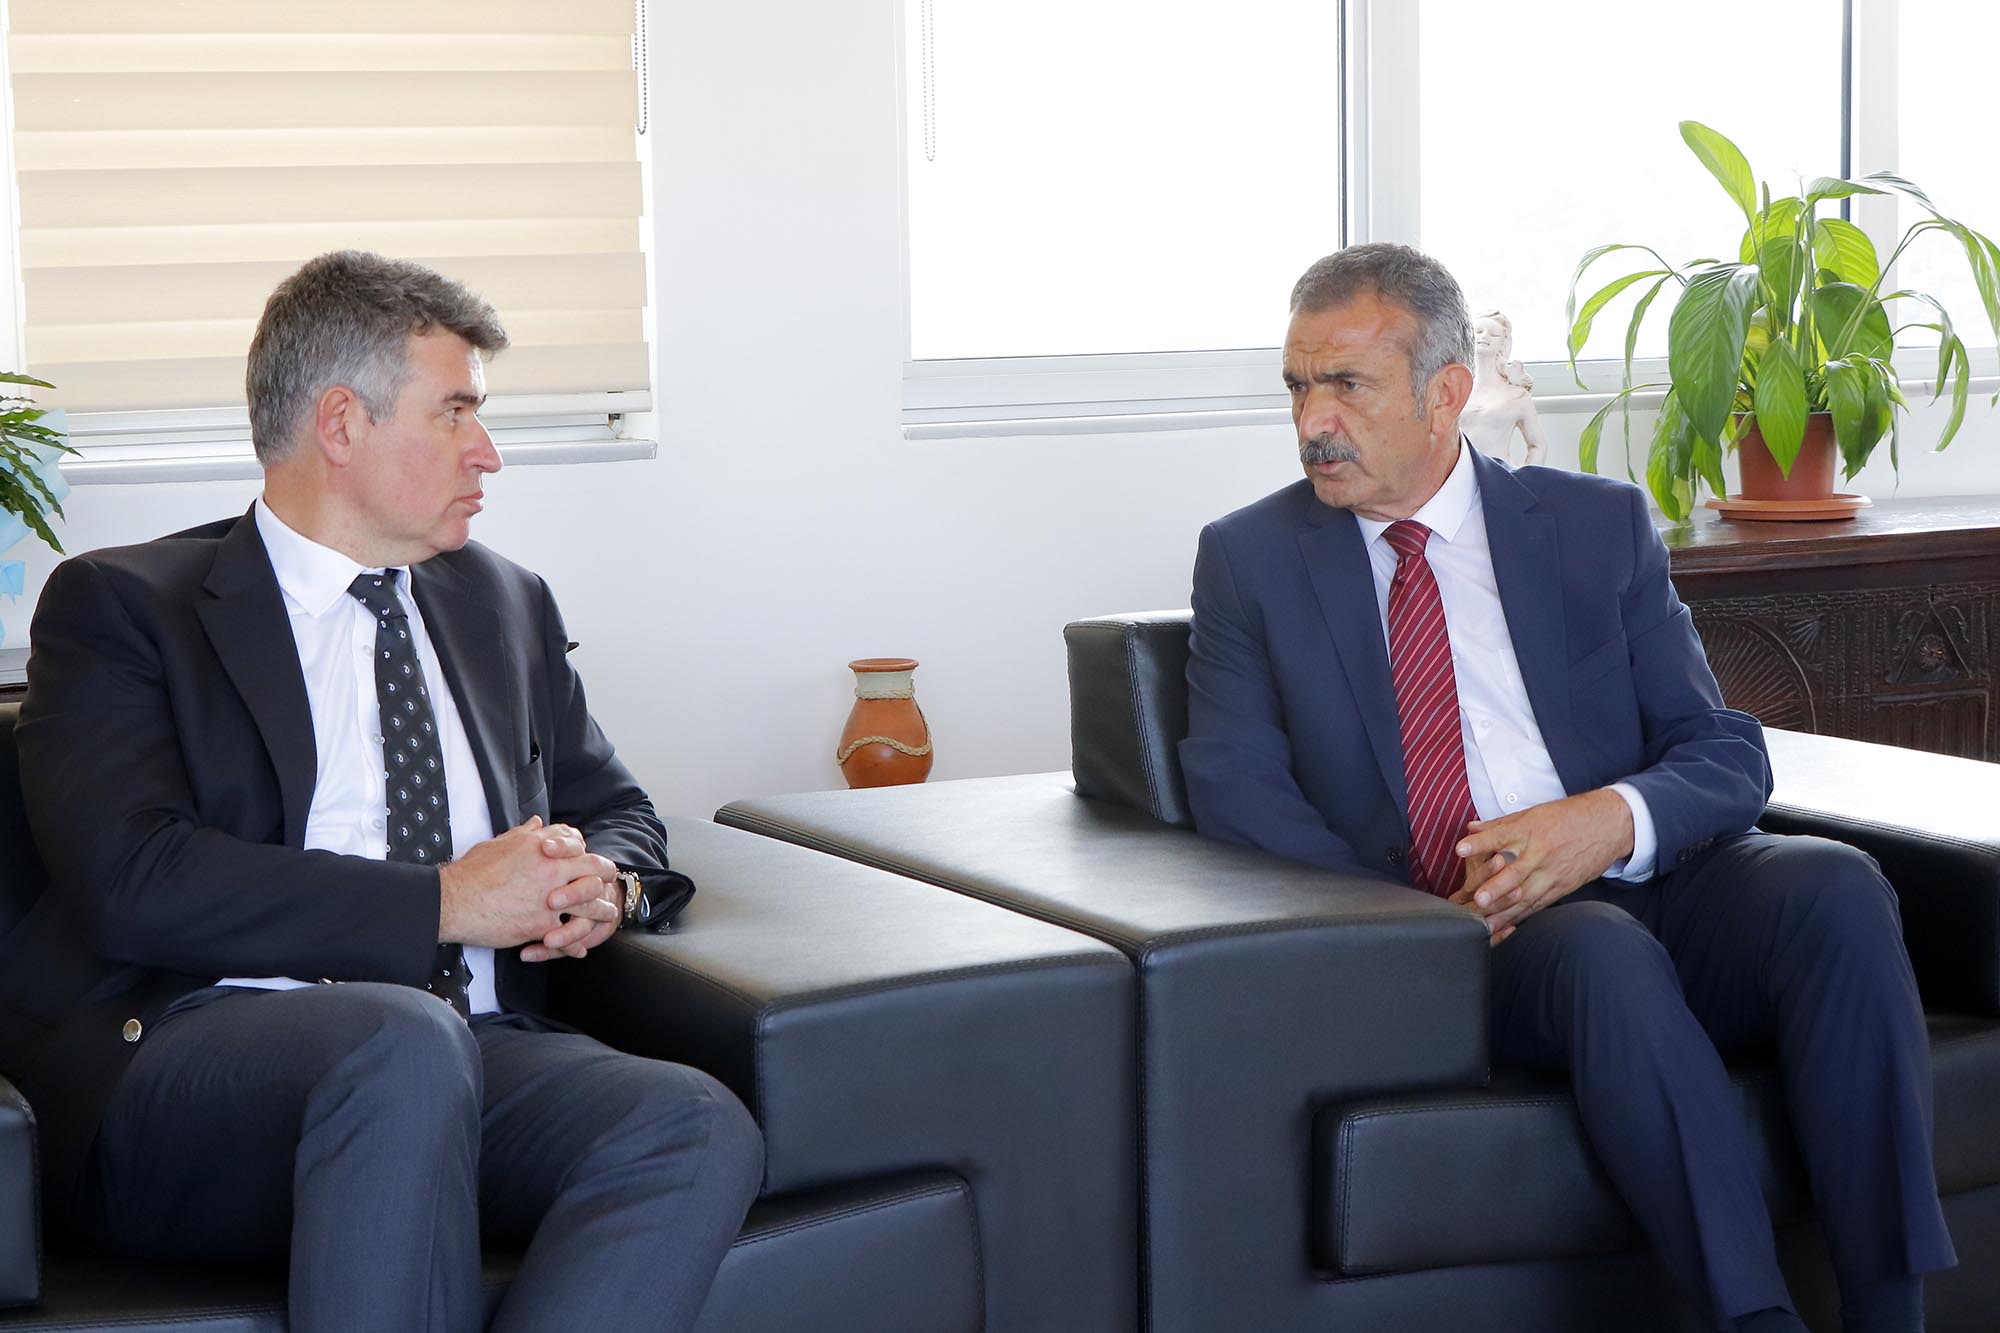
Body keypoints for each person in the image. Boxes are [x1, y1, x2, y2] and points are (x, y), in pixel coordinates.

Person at [1180, 241, 1952, 1333]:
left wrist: (1605, 822)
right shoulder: (1249, 560)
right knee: (1597, 949)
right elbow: (1239, 796)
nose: (1314, 420)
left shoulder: (1593, 526)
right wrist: (1423, 924)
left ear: (1446, 392)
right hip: (1471, 932)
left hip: (1646, 882)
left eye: (1345, 385)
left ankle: (1890, 1312)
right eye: (1298, 387)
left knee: (1834, 886)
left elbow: (1722, 751)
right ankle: (1755, 1319)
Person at [0, 251, 763, 1332]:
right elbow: (134, 877)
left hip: (474, 1047)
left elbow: (618, 807)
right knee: (398, 1042)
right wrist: (447, 901)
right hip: (196, 1060)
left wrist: (607, 881)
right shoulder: (124, 608)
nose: (487, 451)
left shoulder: (504, 602)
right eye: (455, 412)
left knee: (688, 1121)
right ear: (342, 422)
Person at [1459, 308, 1548, 466]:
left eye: (1493, 334)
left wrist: (1523, 478)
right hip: (1461, 475)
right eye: (1478, 331)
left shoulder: (1517, 395)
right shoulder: (1457, 390)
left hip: (1498, 476)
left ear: (1503, 343)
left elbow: (1538, 446)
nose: (1484, 336)